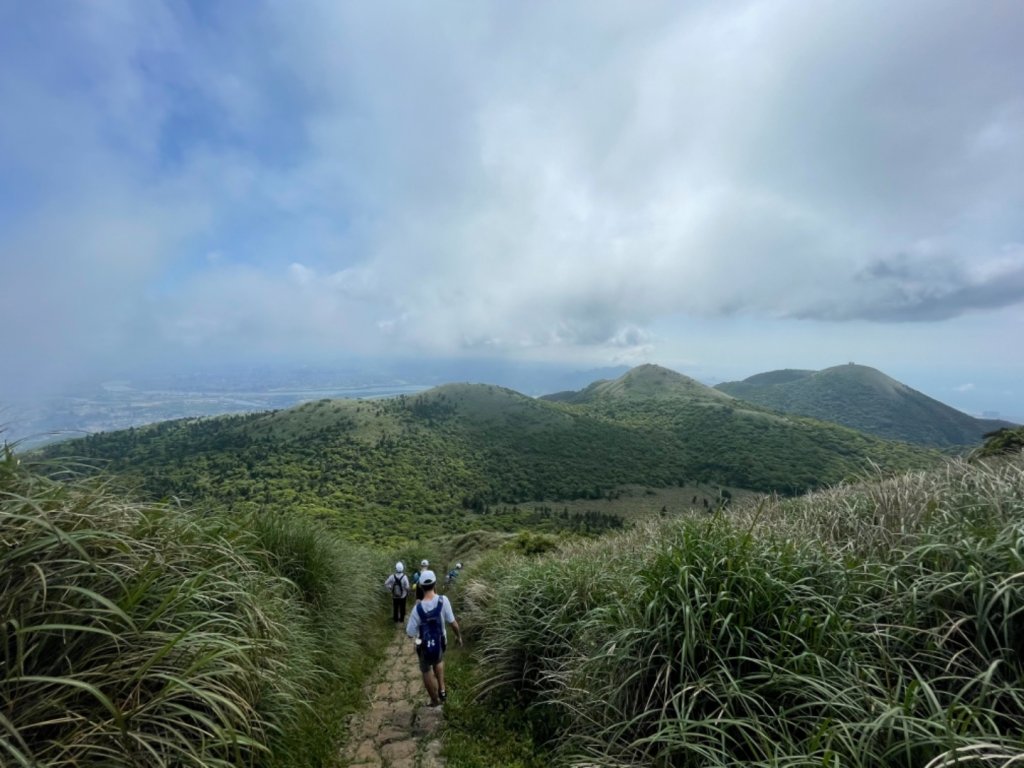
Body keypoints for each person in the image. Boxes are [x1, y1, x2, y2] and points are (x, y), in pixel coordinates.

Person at [406, 569, 463, 707]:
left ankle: (434, 700)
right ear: (435, 583)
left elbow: (410, 633)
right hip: (441, 642)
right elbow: (453, 624)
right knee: (438, 660)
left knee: (426, 670)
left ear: (420, 586)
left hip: (424, 646)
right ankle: (442, 689)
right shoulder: (444, 601)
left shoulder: (417, 609)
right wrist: (458, 637)